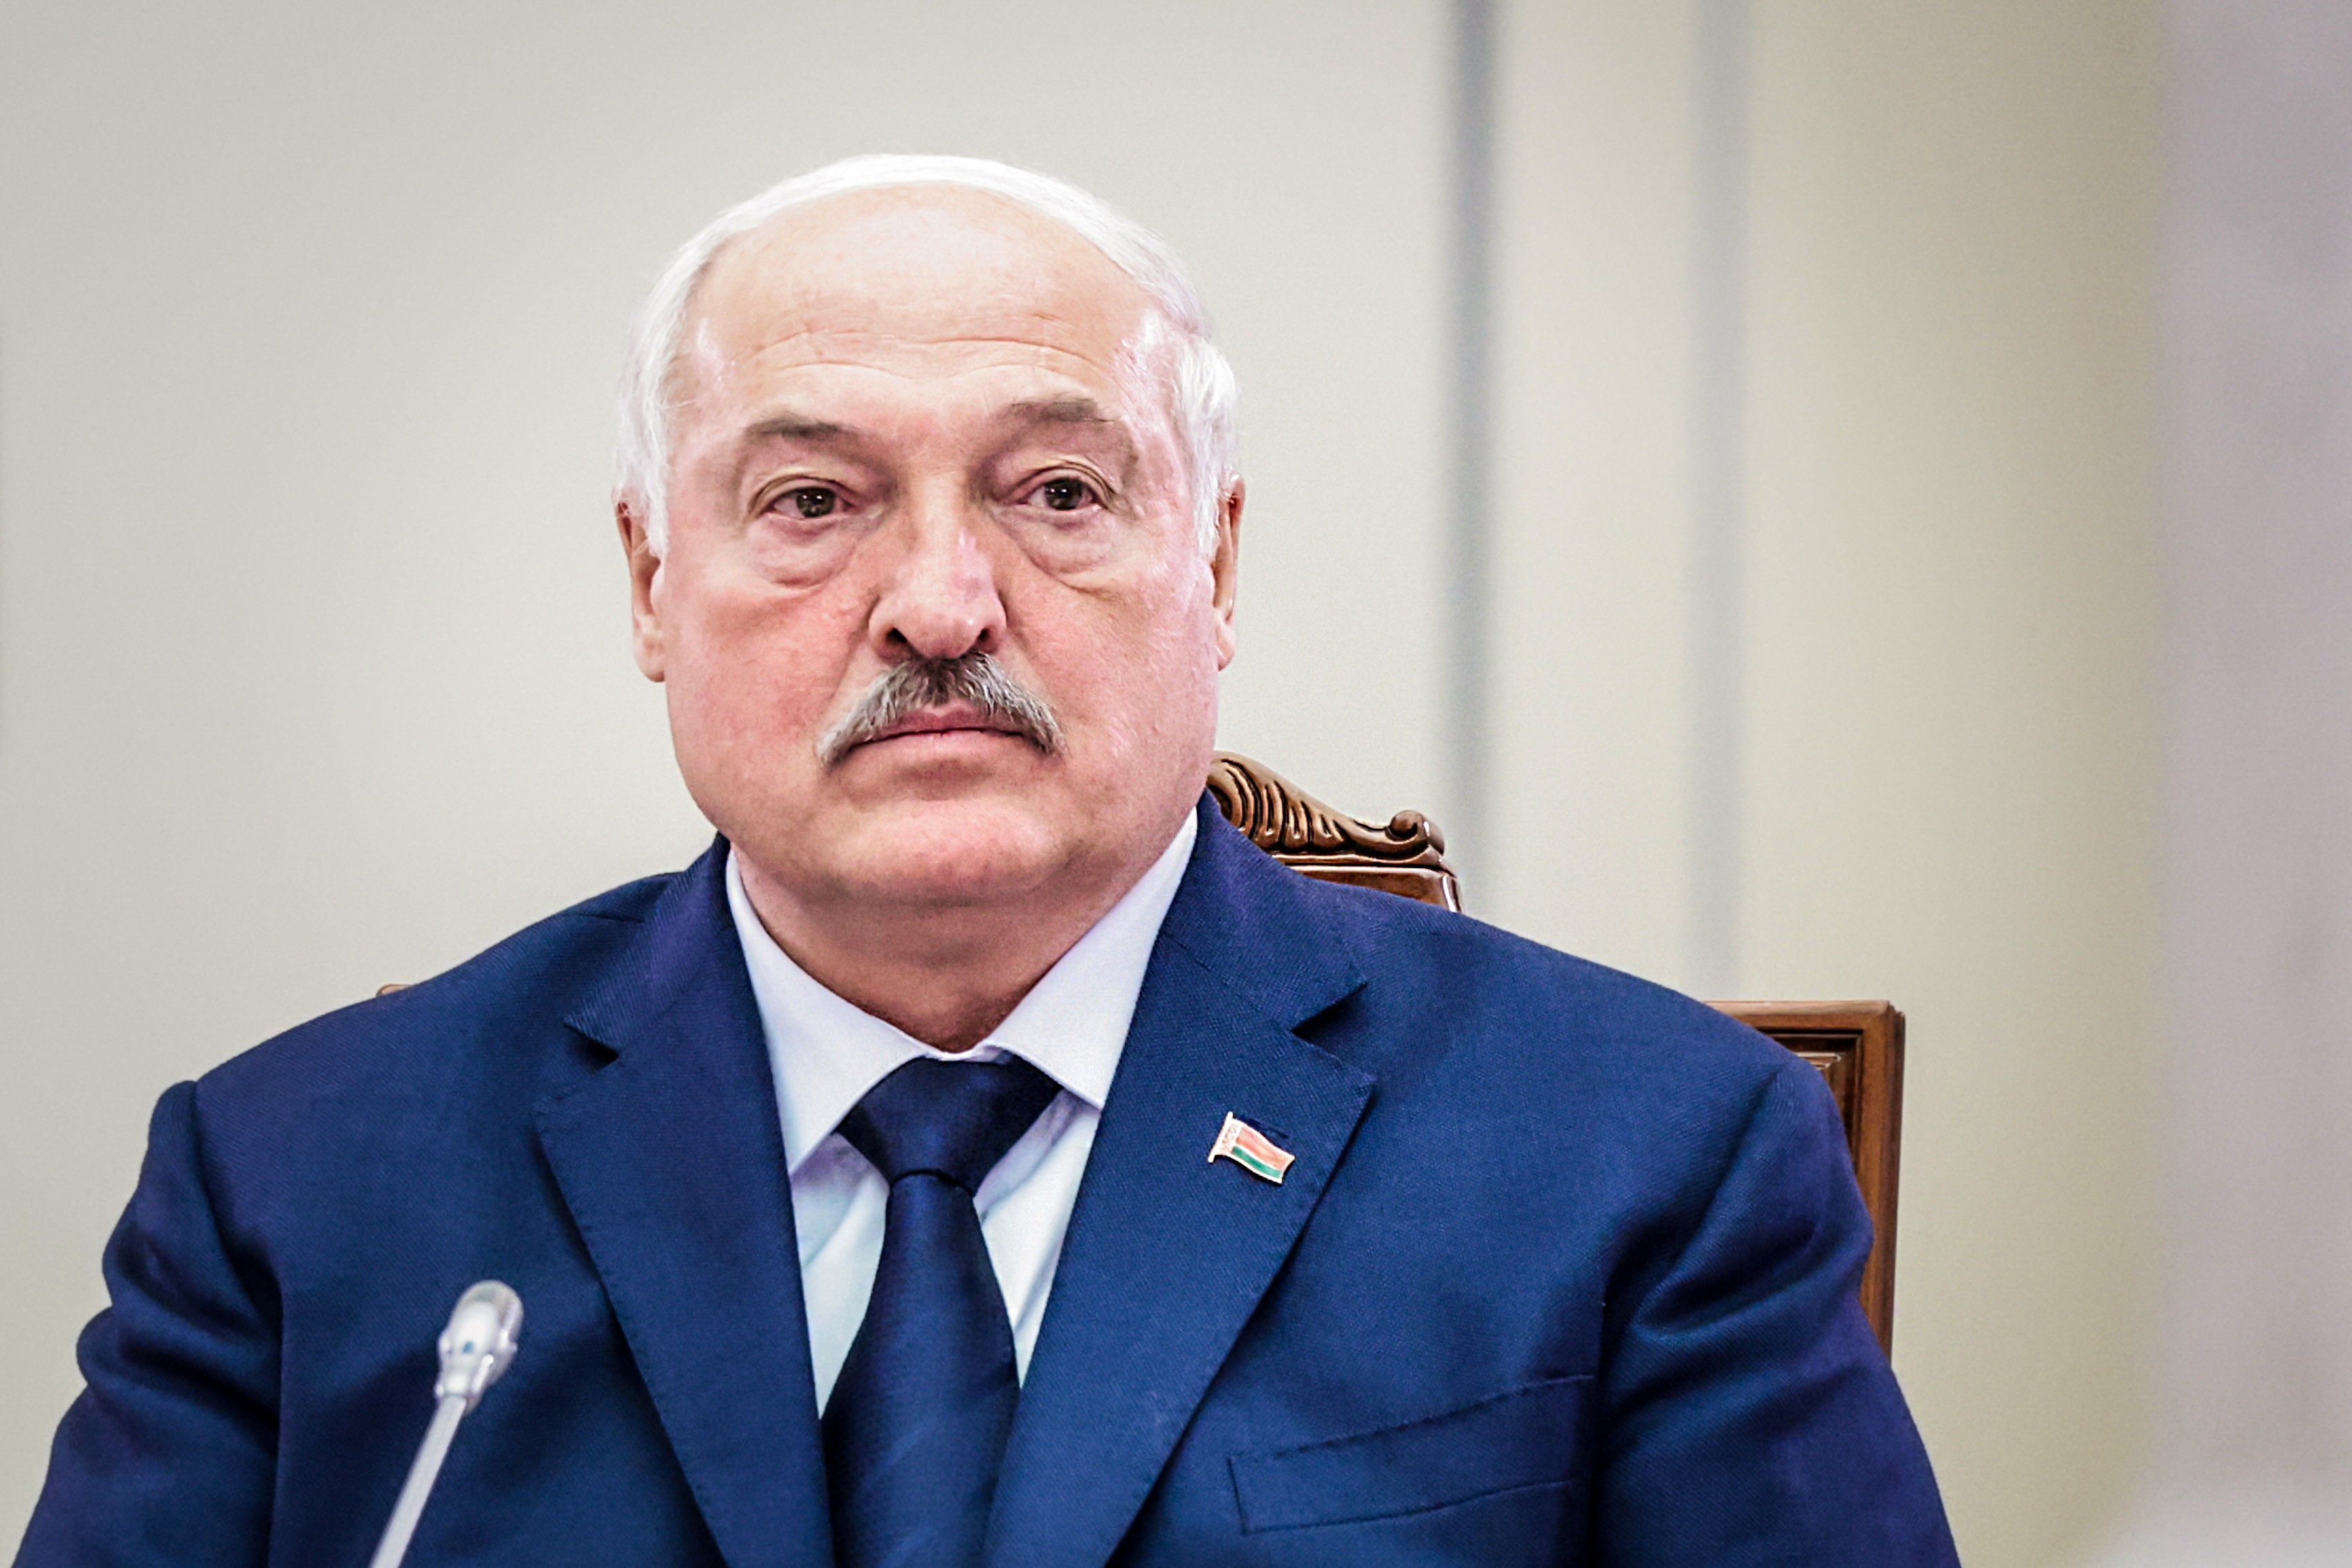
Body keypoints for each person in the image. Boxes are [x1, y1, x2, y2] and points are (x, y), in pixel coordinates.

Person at [15, 155, 1958, 1567]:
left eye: (1058, 491)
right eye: (812, 499)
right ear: (651, 582)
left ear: (1213, 563)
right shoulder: (298, 1187)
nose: (940, 605)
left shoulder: (1648, 1157)